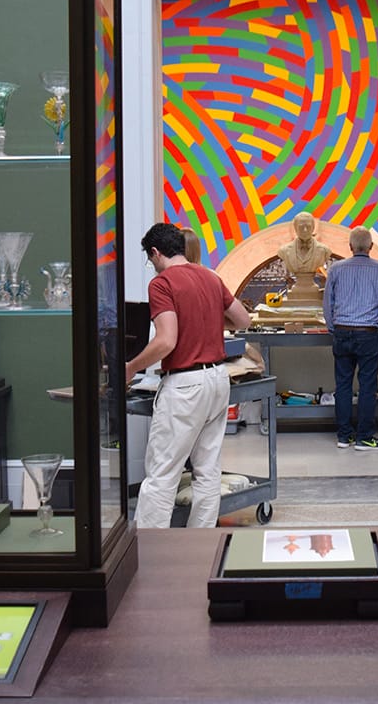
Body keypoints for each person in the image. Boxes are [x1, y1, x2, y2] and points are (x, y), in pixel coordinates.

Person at [125, 223, 251, 527]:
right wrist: (207, 320)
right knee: (207, 470)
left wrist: (129, 367)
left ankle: (152, 551)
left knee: (162, 474)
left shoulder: (162, 283)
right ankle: (198, 547)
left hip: (185, 385)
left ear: (155, 253)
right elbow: (243, 320)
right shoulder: (210, 276)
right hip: (219, 379)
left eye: (149, 259)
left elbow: (166, 341)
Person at [322, 226, 378, 451]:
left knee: (343, 384)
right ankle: (364, 437)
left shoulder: (335, 269)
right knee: (367, 386)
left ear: (350, 247)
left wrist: (334, 330)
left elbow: (327, 305)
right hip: (369, 334)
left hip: (343, 331)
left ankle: (344, 437)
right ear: (371, 247)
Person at [276, 211, 334, 305]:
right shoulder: (284, 251)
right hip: (296, 292)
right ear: (295, 228)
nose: (305, 230)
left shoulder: (324, 250)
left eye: (308, 226)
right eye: (301, 227)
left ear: (313, 228)